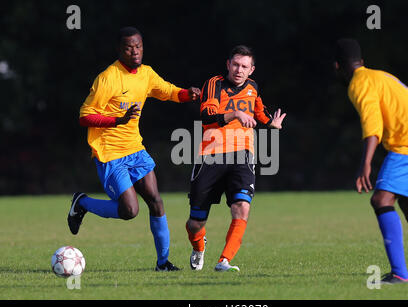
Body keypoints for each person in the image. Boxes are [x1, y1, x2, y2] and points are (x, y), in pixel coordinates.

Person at [67, 26, 201, 272]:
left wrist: (187, 95)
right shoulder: (108, 78)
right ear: (120, 50)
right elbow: (84, 116)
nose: (135, 51)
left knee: (156, 202)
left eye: (138, 46)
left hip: (135, 149)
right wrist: (116, 120)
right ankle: (82, 202)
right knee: (129, 211)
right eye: (129, 47)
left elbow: (168, 91)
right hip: (110, 153)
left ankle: (163, 263)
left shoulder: (146, 74)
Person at [334, 38, 408, 284]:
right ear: (361, 61)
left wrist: (366, 163)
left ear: (337, 67)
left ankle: (398, 274)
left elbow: (372, 125)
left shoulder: (358, 84)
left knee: (381, 199)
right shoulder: (378, 75)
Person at [186, 45, 286, 272]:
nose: (239, 70)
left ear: (251, 70)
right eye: (235, 64)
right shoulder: (214, 84)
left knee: (242, 207)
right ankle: (199, 247)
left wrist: (271, 122)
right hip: (210, 156)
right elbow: (206, 116)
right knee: (195, 223)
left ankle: (224, 261)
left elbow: (258, 110)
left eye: (244, 66)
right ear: (228, 64)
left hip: (243, 154)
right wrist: (235, 114)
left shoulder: (253, 87)